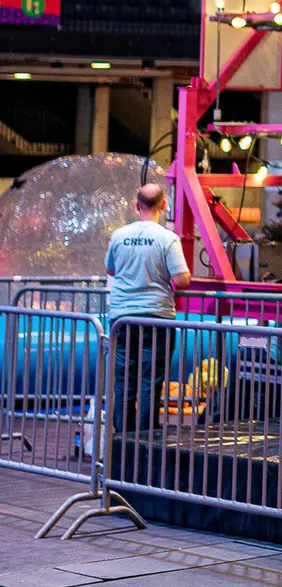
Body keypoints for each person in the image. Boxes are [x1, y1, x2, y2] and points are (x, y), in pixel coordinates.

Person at [105, 180, 190, 482]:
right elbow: (181, 280)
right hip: (156, 318)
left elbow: (111, 269)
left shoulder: (119, 235)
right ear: (164, 205)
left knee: (122, 383)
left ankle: (121, 448)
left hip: (121, 319)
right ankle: (145, 450)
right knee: (149, 384)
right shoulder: (168, 238)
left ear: (136, 204)